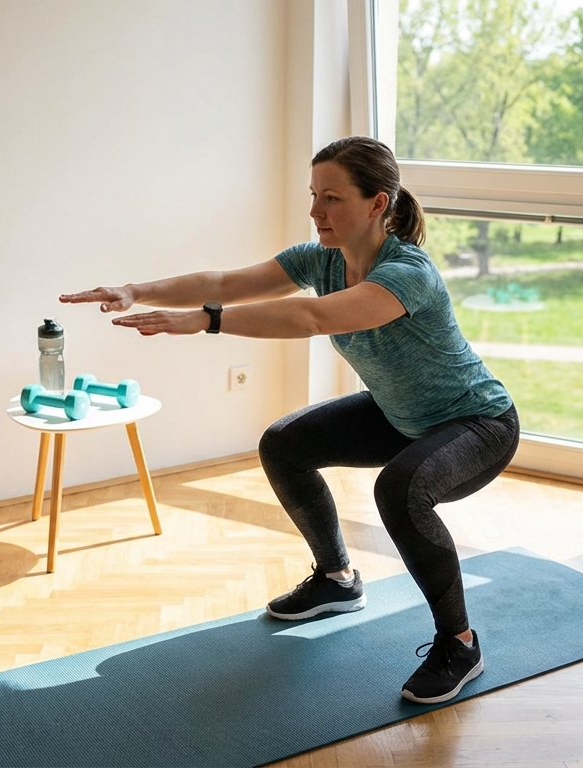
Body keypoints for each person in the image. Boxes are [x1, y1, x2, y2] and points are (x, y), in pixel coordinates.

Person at [60, 136, 518, 704]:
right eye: (313, 195)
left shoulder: (407, 273)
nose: (315, 211)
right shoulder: (321, 260)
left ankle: (460, 643)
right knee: (285, 444)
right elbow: (225, 284)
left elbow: (310, 316)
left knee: (399, 489)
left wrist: (206, 323)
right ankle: (336, 580)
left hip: (477, 423)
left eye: (332, 198)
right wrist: (135, 290)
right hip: (401, 415)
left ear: (378, 204)